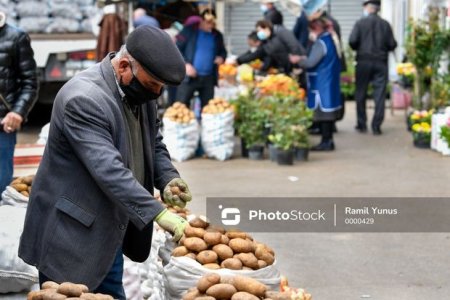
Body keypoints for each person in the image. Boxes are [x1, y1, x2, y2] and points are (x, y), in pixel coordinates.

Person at [19, 26, 191, 299]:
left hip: (109, 231)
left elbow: (153, 142)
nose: (156, 93)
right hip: (71, 236)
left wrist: (168, 177)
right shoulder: (83, 99)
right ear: (124, 66)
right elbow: (108, 169)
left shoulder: (140, 92)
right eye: (152, 85)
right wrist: (157, 212)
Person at [0, 10, 38, 194]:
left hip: (2, 127)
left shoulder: (16, 37)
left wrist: (17, 112)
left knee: (1, 187)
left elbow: (30, 83)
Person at [292, 14, 342, 151]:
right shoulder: (330, 40)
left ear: (316, 28)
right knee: (327, 111)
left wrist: (299, 60)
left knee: (324, 112)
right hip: (328, 80)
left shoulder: (321, 43)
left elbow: (311, 62)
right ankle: (327, 140)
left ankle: (326, 142)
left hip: (321, 81)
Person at [349, 0, 397, 135]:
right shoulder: (385, 24)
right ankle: (376, 125)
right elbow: (392, 44)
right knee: (380, 94)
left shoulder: (360, 23)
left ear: (368, 8)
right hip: (380, 62)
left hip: (363, 61)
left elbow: (352, 41)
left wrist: (360, 47)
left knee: (360, 93)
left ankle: (361, 123)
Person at [175, 9, 227, 108]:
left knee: (208, 108)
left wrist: (221, 58)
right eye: (208, 23)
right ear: (201, 20)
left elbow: (223, 52)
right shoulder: (188, 31)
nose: (210, 26)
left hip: (208, 78)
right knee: (181, 106)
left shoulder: (217, 35)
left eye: (213, 23)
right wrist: (185, 64)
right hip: (189, 78)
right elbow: (176, 48)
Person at [237, 20, 304, 75]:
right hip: (285, 69)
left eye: (259, 30)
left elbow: (293, 45)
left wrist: (296, 65)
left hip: (298, 66)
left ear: (266, 27)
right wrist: (239, 60)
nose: (259, 33)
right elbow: (259, 53)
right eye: (258, 32)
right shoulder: (267, 40)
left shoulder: (281, 31)